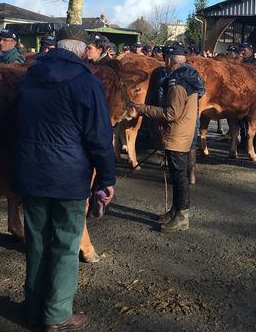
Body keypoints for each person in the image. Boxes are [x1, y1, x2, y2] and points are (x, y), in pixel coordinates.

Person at [12, 40, 116, 330]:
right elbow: (99, 137)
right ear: (83, 52)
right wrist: (107, 179)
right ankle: (56, 315)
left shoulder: (28, 77)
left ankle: (33, 307)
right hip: (69, 177)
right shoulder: (87, 83)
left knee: (37, 242)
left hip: (31, 173)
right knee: (66, 244)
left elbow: (14, 120)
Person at [130, 43, 204, 232]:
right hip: (184, 133)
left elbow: (171, 114)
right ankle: (175, 210)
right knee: (177, 177)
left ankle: (182, 217)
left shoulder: (178, 85)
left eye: (165, 59)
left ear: (170, 60)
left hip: (178, 136)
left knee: (179, 178)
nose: (164, 62)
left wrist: (142, 109)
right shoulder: (189, 77)